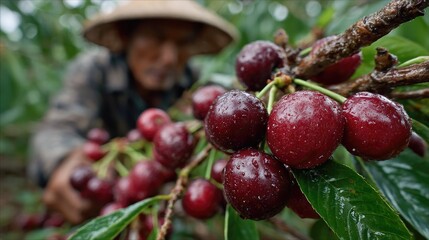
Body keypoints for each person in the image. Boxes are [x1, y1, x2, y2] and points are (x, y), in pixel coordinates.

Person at [29, 0, 238, 224]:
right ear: (125, 35)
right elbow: (57, 128)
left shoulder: (195, 84)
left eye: (183, 43)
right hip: (110, 191)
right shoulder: (94, 70)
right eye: (156, 38)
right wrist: (63, 160)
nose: (169, 58)